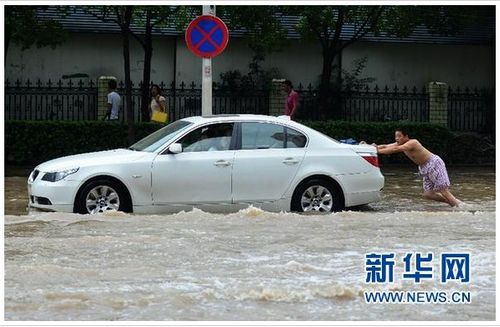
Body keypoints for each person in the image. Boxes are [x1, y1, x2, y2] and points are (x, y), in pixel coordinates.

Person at [374, 128, 461, 207]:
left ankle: (460, 208)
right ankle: (455, 202)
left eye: (399, 136)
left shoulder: (413, 142)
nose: (397, 138)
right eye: (396, 136)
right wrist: (371, 147)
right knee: (428, 194)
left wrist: (378, 151)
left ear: (406, 136)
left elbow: (395, 149)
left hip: (434, 163)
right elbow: (385, 146)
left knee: (443, 190)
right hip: (424, 167)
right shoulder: (399, 143)